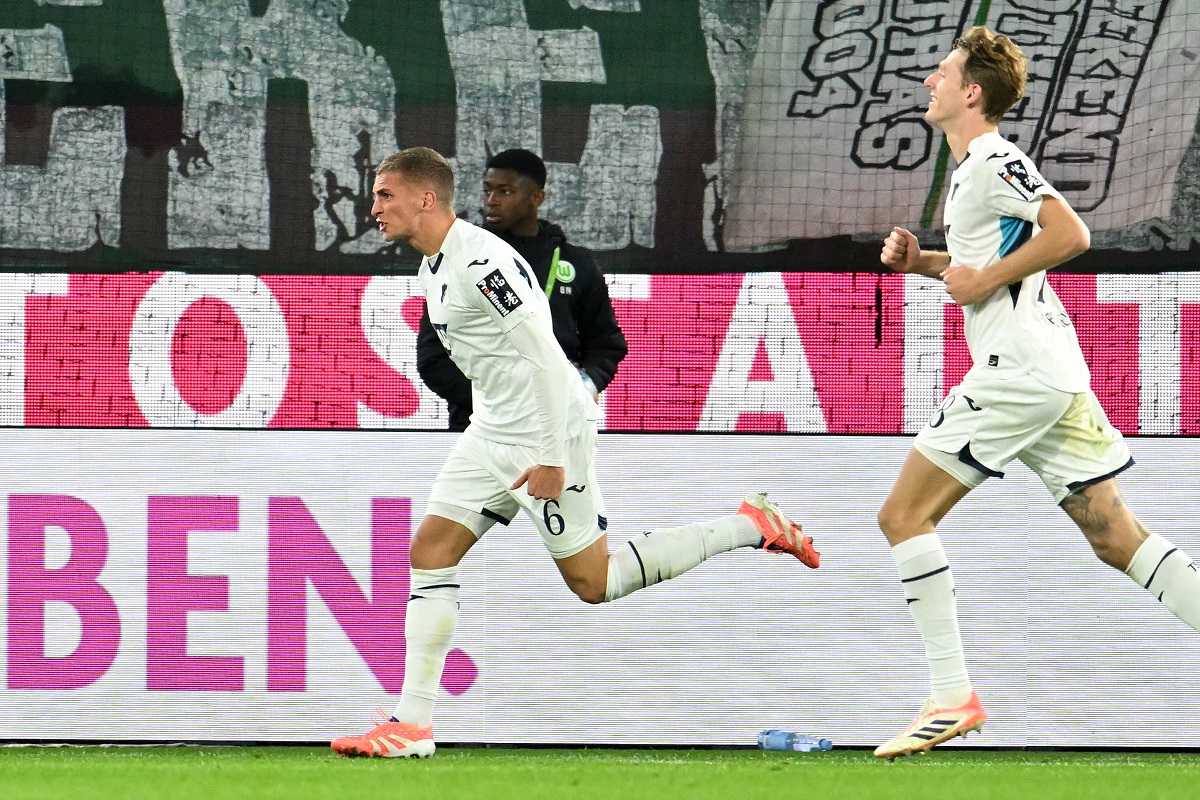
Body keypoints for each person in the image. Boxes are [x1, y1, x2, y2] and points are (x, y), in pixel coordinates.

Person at [330, 147, 820, 758]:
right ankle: (412, 726)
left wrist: (553, 456)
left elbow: (548, 364)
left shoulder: (484, 265)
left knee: (596, 582)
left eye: (384, 195)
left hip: (550, 433)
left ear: (425, 199)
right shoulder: (434, 266)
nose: (374, 207)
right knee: (430, 552)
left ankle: (750, 525)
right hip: (491, 436)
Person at [873, 26, 1200, 760]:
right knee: (1117, 538)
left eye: (943, 71)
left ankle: (951, 697)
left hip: (1019, 373)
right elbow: (981, 264)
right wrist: (923, 261)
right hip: (1051, 372)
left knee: (902, 515)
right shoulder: (970, 171)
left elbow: (1070, 232)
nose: (929, 79)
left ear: (972, 93)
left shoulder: (992, 157)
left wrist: (982, 279)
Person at [417, 148, 627, 431]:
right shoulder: (457, 259)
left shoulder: (577, 263)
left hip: (559, 424)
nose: (491, 201)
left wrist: (583, 387)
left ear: (536, 198)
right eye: (487, 190)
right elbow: (433, 358)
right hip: (479, 426)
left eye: (505, 192)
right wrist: (500, 403)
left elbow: (605, 344)